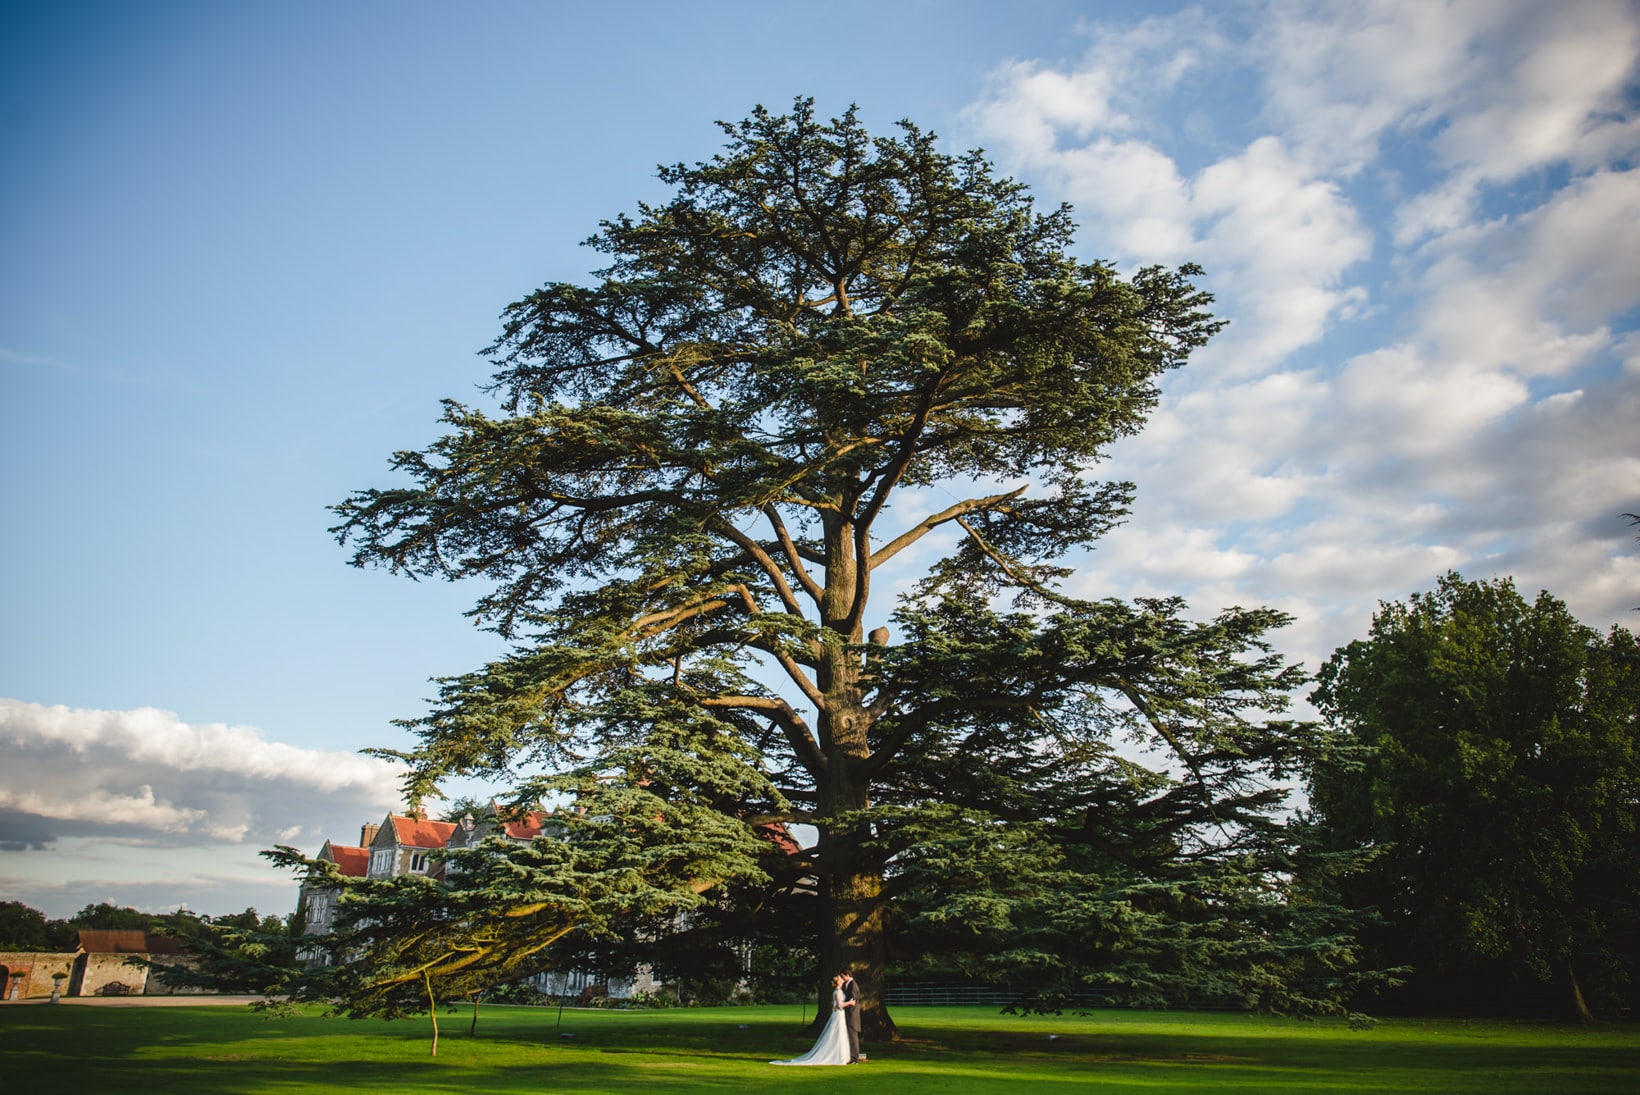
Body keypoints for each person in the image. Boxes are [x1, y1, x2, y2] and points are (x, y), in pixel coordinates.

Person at [771, 975, 852, 1066]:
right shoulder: (838, 992)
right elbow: (838, 1005)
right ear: (839, 982)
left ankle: (840, 1055)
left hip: (840, 1014)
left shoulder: (838, 991)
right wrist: (849, 1003)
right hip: (838, 1014)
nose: (842, 980)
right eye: (841, 979)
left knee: (839, 1034)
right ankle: (838, 1056)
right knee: (838, 1033)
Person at [839, 967, 862, 1063]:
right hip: (848, 1014)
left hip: (852, 1015)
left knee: (853, 1037)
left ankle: (855, 1058)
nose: (842, 978)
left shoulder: (853, 985)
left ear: (847, 975)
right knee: (849, 1036)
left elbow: (853, 1001)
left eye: (843, 976)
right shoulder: (847, 985)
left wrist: (842, 1004)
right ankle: (850, 1056)